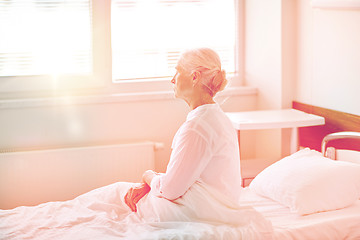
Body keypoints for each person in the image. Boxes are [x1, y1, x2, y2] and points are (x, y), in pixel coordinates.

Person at [124, 48, 242, 216]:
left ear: (194, 77)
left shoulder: (197, 127)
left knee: (118, 195)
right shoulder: (216, 116)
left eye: (177, 72)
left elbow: (170, 190)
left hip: (204, 212)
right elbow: (185, 176)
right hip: (216, 206)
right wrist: (155, 181)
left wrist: (147, 176)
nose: (172, 80)